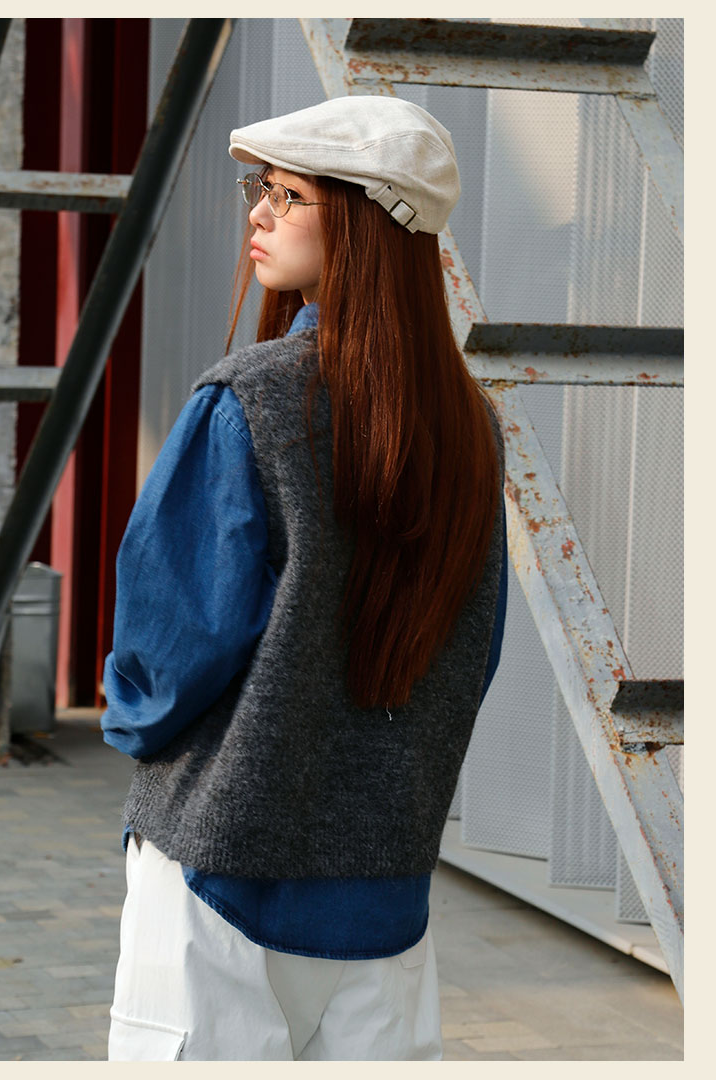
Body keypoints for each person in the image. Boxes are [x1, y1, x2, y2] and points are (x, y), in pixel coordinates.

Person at [101, 95, 507, 1061]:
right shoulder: (471, 427)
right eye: (262, 189)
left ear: (366, 224)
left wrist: (136, 732)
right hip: (384, 886)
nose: (258, 212)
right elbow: (473, 653)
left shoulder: (249, 402)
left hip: (220, 865)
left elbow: (167, 649)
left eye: (288, 195)